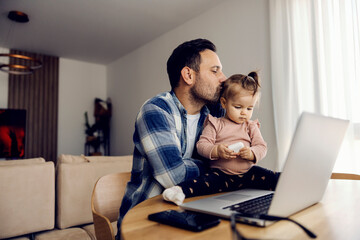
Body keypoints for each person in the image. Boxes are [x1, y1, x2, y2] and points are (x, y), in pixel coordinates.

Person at [116, 38, 227, 239]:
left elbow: (234, 162)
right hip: (145, 222)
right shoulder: (156, 110)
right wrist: (213, 164)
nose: (223, 78)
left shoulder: (213, 113)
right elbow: (174, 176)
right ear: (188, 75)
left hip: (193, 213)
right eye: (215, 71)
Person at [162, 72, 280, 205]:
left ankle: (297, 185)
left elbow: (261, 146)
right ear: (224, 103)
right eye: (238, 107)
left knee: (274, 177)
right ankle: (178, 191)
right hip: (221, 175)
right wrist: (217, 151)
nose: (244, 112)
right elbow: (202, 145)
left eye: (249, 108)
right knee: (201, 183)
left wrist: (252, 153)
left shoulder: (251, 126)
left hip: (248, 174)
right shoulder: (215, 123)